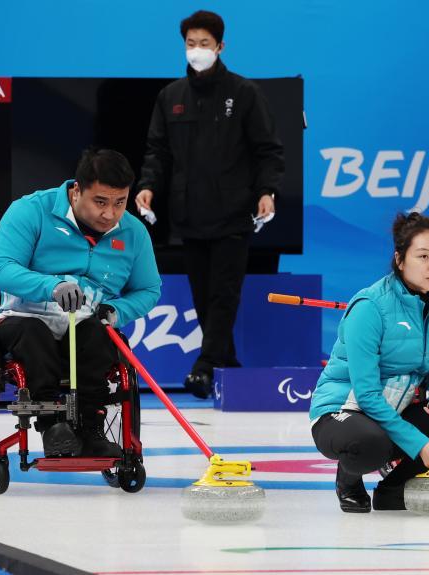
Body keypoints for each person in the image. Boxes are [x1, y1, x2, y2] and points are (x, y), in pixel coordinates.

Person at [136, 9, 285, 399]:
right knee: (202, 294)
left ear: (220, 46)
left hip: (234, 213)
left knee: (224, 292)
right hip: (188, 214)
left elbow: (268, 150)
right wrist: (148, 185)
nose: (197, 51)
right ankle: (225, 366)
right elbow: (157, 151)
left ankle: (204, 367)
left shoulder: (245, 93)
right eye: (190, 44)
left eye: (204, 44)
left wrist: (266, 191)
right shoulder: (171, 97)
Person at [309, 213, 429, 513]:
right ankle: (348, 479)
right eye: (423, 257)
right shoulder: (369, 307)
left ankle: (394, 489)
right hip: (343, 411)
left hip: (395, 409)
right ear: (400, 260)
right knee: (372, 444)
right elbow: (366, 395)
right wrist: (421, 444)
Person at [0, 149, 161, 457]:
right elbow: (0, 267)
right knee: (33, 333)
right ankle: (53, 426)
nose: (110, 214)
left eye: (120, 202)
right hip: (25, 315)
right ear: (77, 190)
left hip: (85, 320)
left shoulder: (134, 232)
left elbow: (149, 289)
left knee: (100, 337)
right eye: (100, 202)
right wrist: (50, 286)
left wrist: (119, 310)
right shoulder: (30, 211)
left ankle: (91, 428)